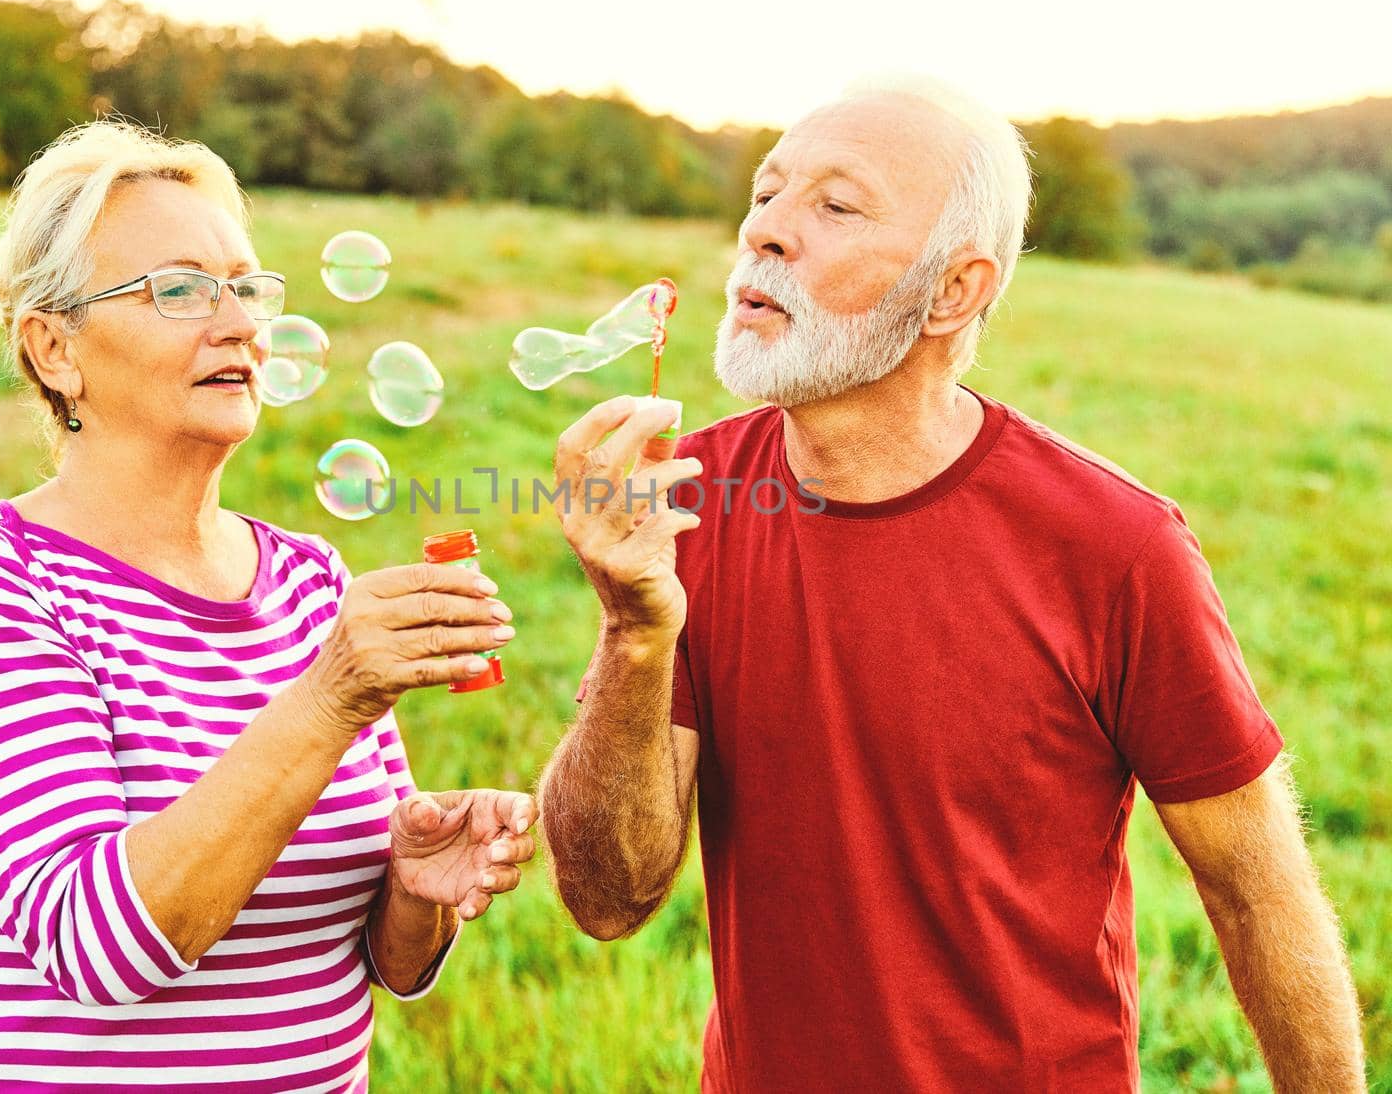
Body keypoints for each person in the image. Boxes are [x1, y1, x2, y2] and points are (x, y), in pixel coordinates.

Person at [538, 80, 1366, 1091]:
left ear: (953, 291)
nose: (766, 233)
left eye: (835, 207)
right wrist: (632, 627)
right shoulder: (688, 505)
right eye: (766, 193)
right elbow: (607, 899)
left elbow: (1256, 891)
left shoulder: (1114, 546)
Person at [0, 121, 535, 1093]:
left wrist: (415, 889)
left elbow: (380, 967)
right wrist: (328, 698)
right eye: (180, 289)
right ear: (53, 348)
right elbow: (99, 951)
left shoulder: (312, 582)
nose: (237, 321)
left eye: (247, 286)